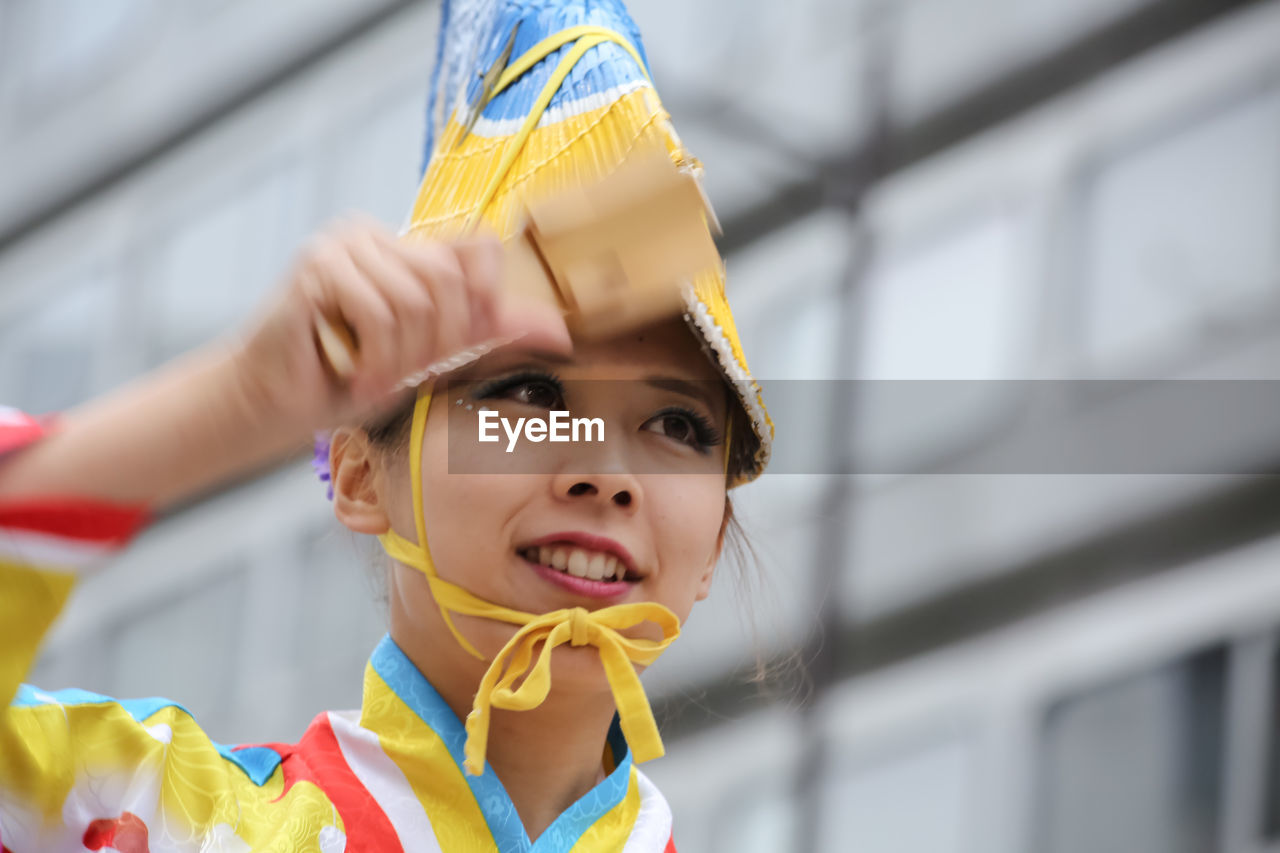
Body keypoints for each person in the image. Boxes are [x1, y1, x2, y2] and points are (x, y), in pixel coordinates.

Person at [0, 0, 772, 850]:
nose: (608, 473)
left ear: (716, 537)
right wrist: (232, 405)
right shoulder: (153, 814)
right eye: (527, 395)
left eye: (679, 425)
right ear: (363, 473)